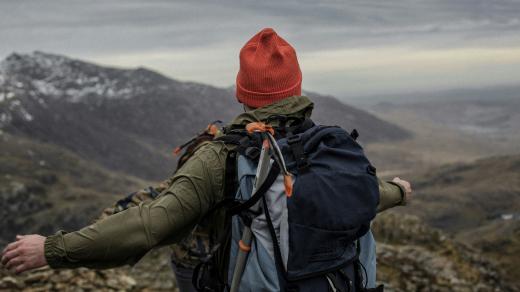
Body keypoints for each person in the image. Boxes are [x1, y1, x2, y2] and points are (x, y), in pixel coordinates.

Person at [1, 28, 412, 290]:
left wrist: (52, 250)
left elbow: (152, 224)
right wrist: (398, 190)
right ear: (297, 87)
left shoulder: (223, 155)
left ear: (241, 93)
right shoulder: (326, 145)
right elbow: (366, 195)